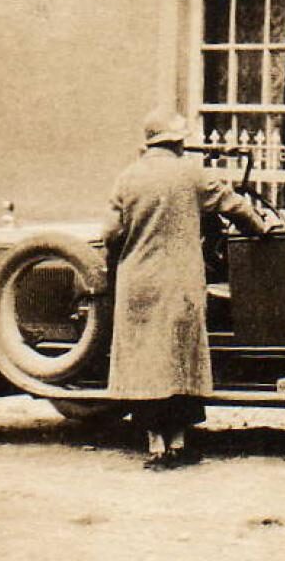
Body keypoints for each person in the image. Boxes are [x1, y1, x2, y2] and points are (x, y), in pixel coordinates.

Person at [103, 111, 276, 470]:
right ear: (178, 142)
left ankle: (155, 445)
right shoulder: (193, 173)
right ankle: (179, 443)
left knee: (146, 364)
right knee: (181, 359)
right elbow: (235, 207)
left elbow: (110, 234)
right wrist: (261, 230)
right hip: (180, 283)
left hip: (138, 281)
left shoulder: (127, 178)